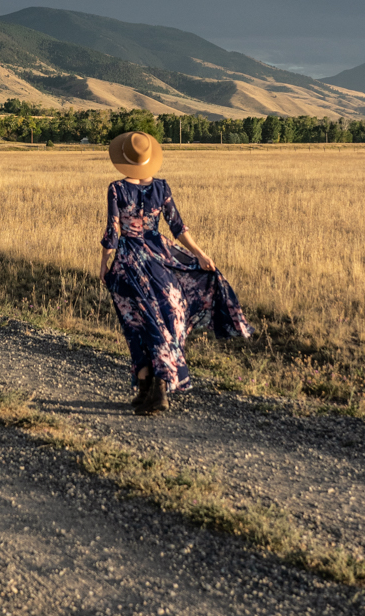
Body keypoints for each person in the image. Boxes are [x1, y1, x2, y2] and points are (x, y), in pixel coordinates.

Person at [99, 130, 251, 414]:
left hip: (129, 262)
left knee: (136, 324)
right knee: (160, 321)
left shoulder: (116, 188)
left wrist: (103, 263)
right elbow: (178, 227)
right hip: (160, 259)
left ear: (124, 159)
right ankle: (148, 389)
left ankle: (155, 388)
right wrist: (200, 254)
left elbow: (113, 230)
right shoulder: (162, 187)